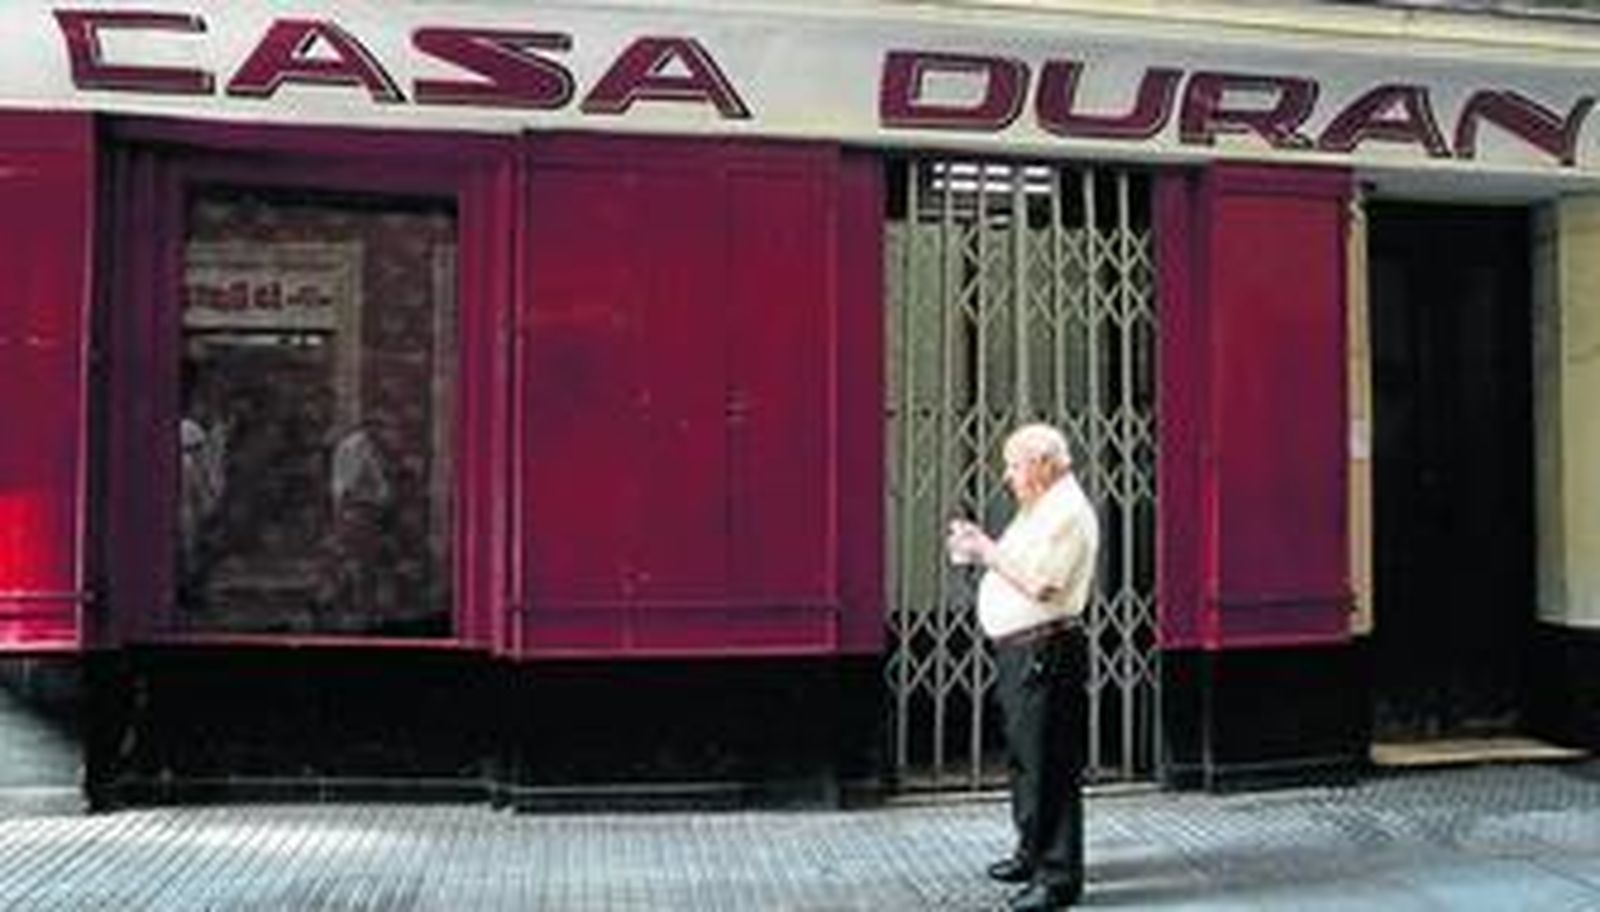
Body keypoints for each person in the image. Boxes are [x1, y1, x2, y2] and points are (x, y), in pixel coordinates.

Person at [947, 423, 1099, 911]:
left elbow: (1043, 584)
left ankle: (1058, 878)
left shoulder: (1067, 512)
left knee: (1048, 765)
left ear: (1042, 465)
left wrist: (984, 550)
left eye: (1014, 465)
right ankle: (1032, 852)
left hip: (1044, 650)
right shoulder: (1041, 508)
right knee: (1026, 760)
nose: (1008, 476)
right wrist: (980, 545)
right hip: (1022, 649)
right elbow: (1015, 564)